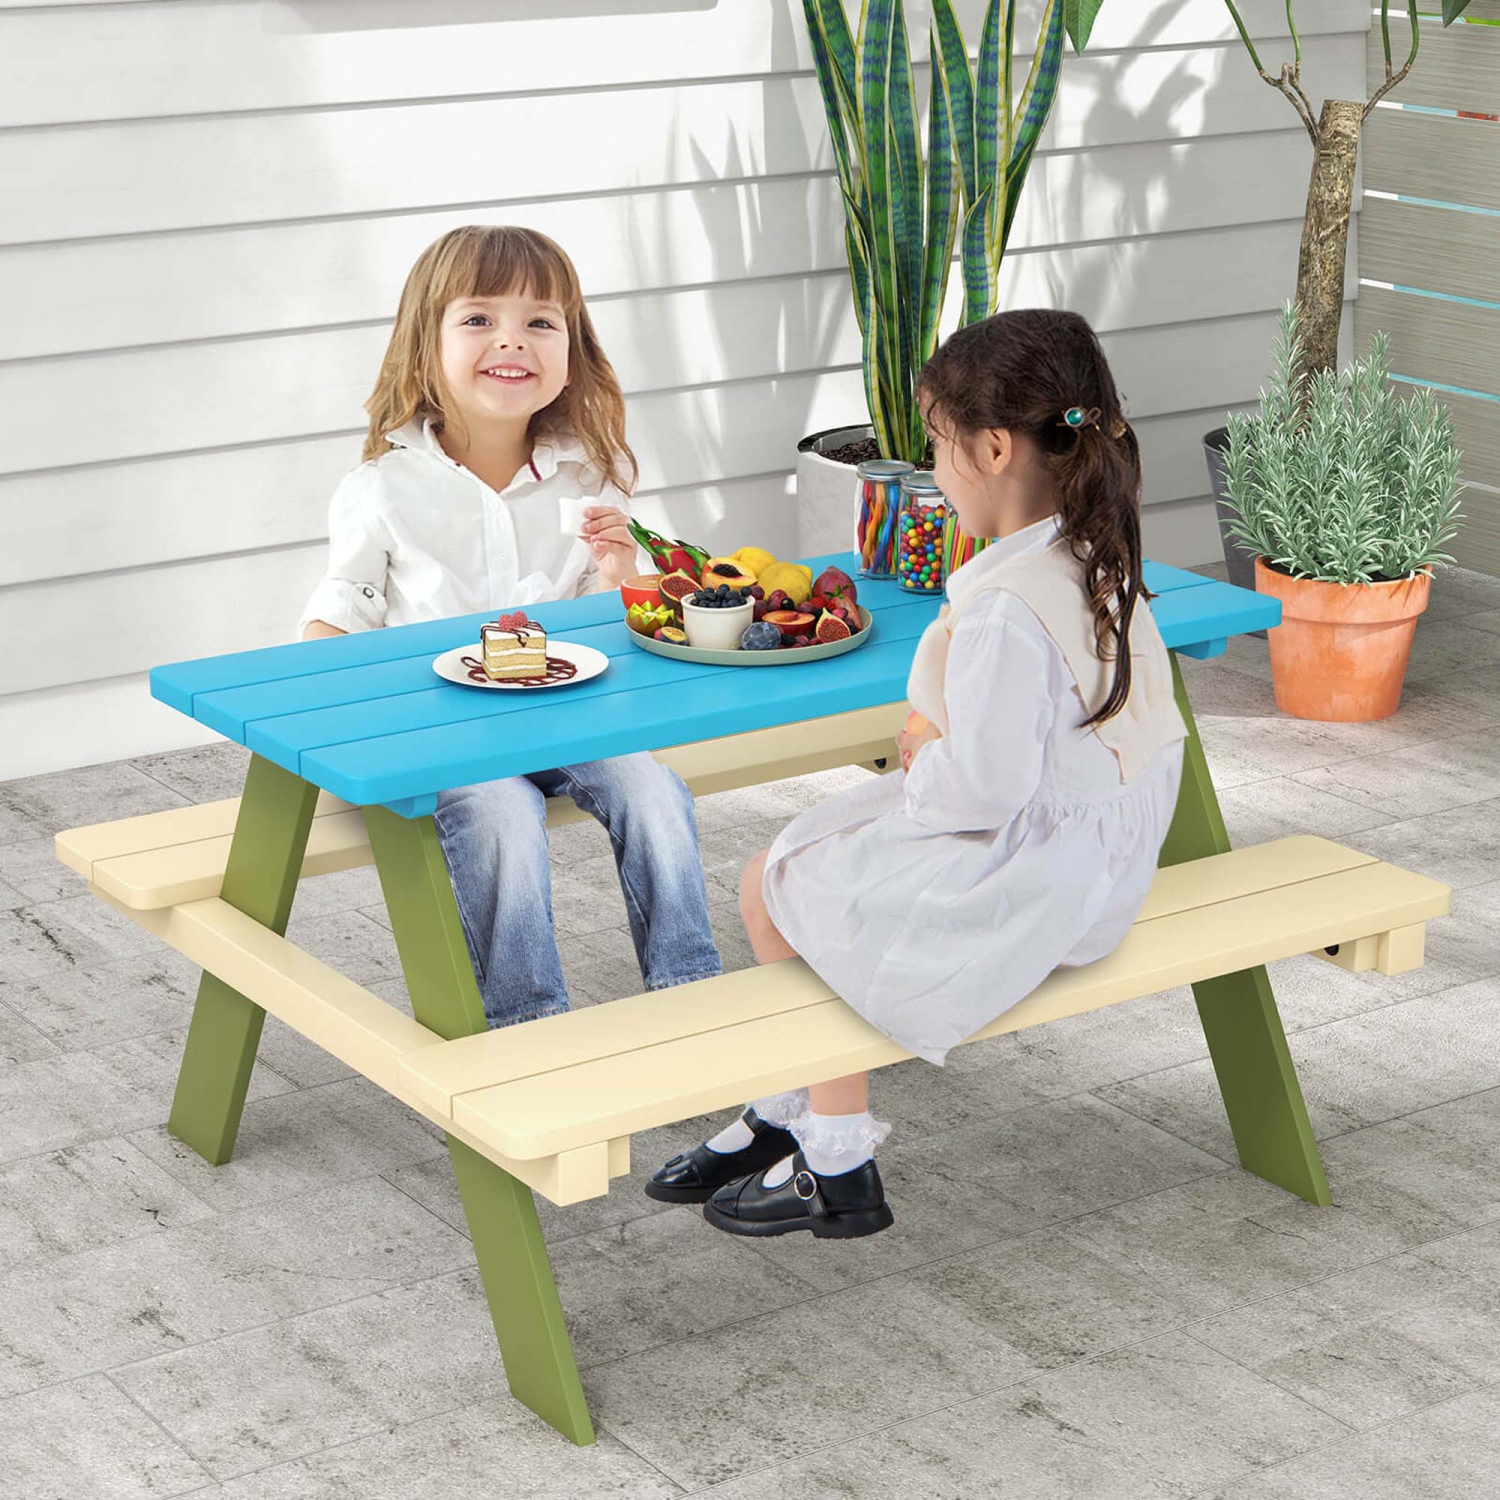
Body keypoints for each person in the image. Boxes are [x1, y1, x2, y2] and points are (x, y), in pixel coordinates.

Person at [647, 308, 1189, 1238]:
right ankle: (788, 1107)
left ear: (990, 450)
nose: (933, 475)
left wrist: (926, 744)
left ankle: (839, 1158)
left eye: (936, 450)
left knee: (776, 885)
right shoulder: (1098, 550)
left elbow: (982, 790)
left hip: (1038, 877)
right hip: (1103, 859)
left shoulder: (1005, 612)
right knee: (814, 861)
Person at [299, 225, 721, 1027]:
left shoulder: (592, 476)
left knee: (653, 789)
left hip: (563, 713)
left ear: (572, 348)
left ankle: (692, 998)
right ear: (425, 346)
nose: (511, 342)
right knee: (502, 816)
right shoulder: (382, 488)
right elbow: (338, 611)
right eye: (478, 319)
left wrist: (618, 578)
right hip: (445, 732)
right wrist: (342, 717)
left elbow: (611, 621)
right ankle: (527, 1025)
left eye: (539, 322)